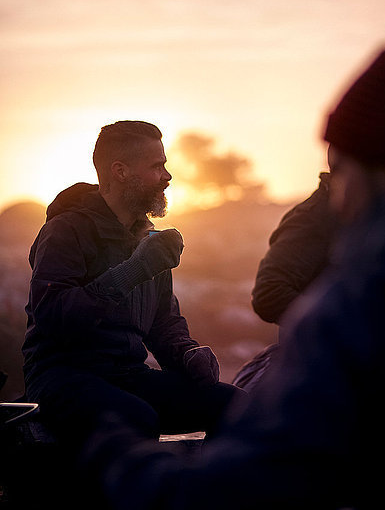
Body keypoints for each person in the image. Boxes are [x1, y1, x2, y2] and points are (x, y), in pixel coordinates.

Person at [81, 43, 385, 509]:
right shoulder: (76, 235)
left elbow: (247, 484)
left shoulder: (357, 312)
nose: (335, 192)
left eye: (344, 169)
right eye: (158, 167)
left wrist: (121, 463)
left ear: (378, 174)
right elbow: (57, 317)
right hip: (83, 376)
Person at [22, 120, 242, 454]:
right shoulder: (66, 231)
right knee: (135, 418)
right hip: (62, 377)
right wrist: (136, 269)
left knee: (238, 408)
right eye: (157, 167)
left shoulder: (147, 237)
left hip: (127, 375)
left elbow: (163, 322)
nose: (167, 176)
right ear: (121, 171)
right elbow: (54, 317)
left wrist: (186, 352)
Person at [232, 169, 339, 391]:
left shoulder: (373, 217)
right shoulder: (313, 219)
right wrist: (340, 326)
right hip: (324, 369)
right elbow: (269, 293)